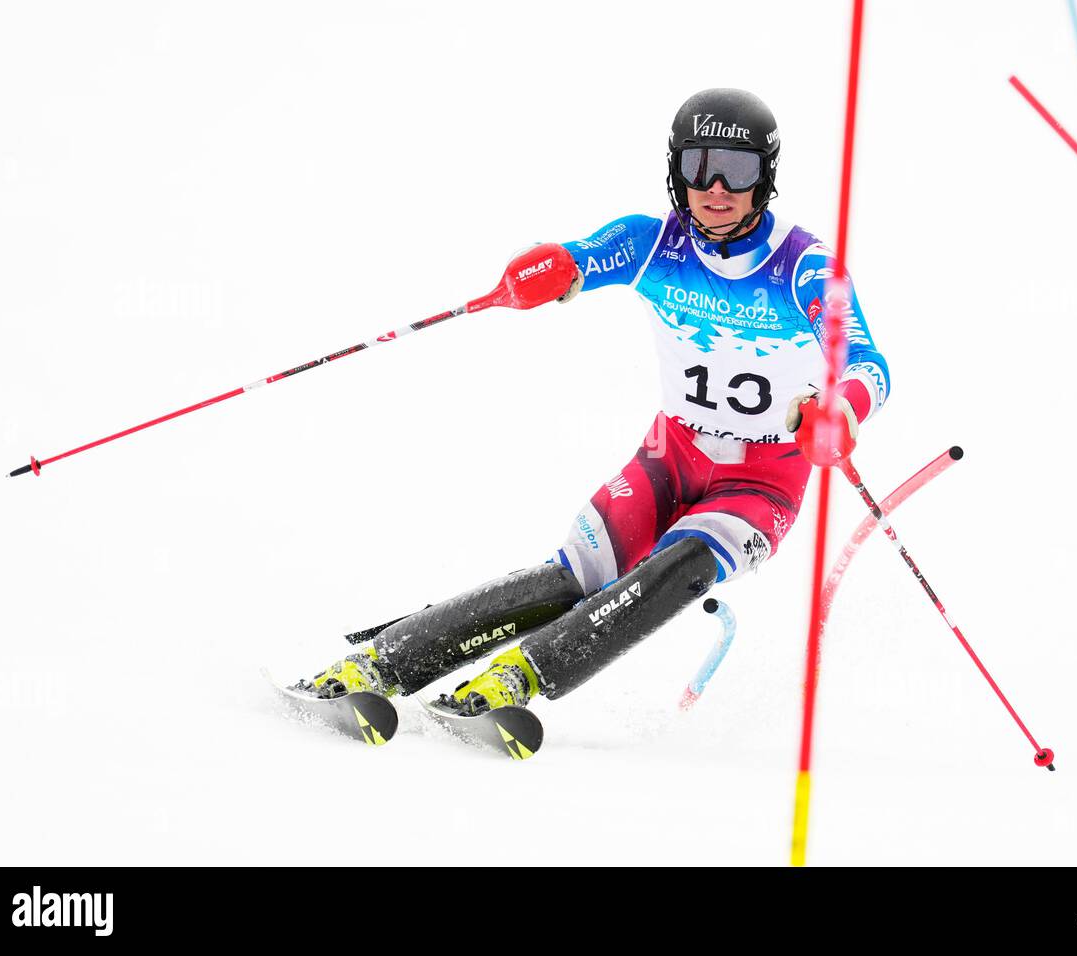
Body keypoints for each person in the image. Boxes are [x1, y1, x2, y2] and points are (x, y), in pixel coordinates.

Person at [297, 88, 890, 715]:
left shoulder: (803, 267)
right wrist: (548, 271)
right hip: (672, 454)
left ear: (765, 178)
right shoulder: (652, 242)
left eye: (736, 171)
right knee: (578, 572)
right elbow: (576, 262)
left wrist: (840, 409)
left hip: (764, 478)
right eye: (698, 166)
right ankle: (379, 664)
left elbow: (867, 362)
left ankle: (513, 682)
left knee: (684, 566)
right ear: (675, 170)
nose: (715, 187)